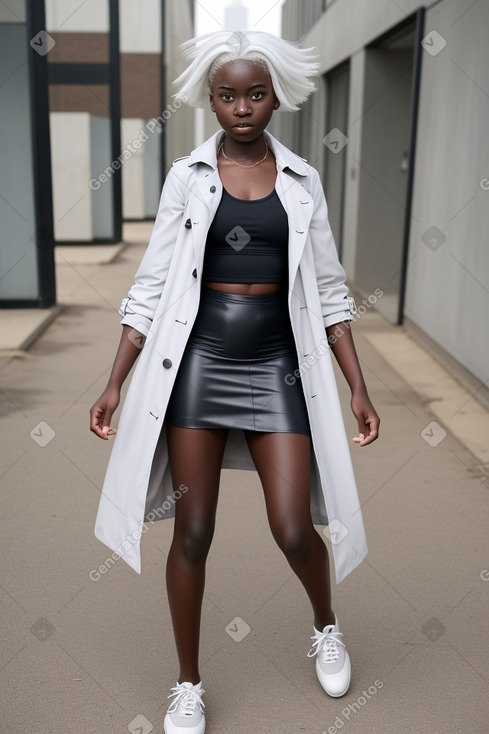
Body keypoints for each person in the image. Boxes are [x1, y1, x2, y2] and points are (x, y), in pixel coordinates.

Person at [90, 30, 379, 734]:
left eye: (254, 94)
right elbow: (153, 286)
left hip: (279, 369)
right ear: (210, 100)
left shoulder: (302, 180)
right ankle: (186, 683)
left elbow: (332, 294)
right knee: (192, 530)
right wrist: (114, 381)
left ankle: (325, 624)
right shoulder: (187, 178)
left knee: (290, 527)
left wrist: (357, 388)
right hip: (198, 366)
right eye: (228, 95)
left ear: (275, 94)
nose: (241, 107)